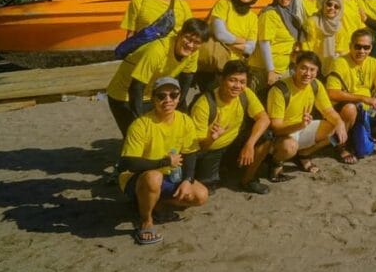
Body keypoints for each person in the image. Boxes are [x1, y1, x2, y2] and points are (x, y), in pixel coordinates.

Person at [118, 76, 209, 245]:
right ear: (153, 98)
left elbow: (190, 153)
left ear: (179, 96)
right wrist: (163, 163)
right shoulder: (141, 124)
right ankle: (146, 221)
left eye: (173, 95)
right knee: (153, 177)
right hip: (138, 178)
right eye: (161, 96)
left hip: (170, 175)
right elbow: (128, 163)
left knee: (201, 196)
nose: (168, 100)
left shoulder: (185, 121)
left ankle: (154, 201)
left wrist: (188, 180)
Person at [106, 18, 209, 136]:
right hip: (124, 95)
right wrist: (140, 120)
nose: (190, 45)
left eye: (196, 42)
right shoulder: (158, 50)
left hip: (152, 94)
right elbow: (136, 87)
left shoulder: (193, 52)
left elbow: (186, 80)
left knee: (176, 129)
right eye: (187, 38)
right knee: (138, 135)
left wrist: (178, 109)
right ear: (179, 34)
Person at [190, 60, 271, 194]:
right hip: (210, 149)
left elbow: (264, 119)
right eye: (232, 80)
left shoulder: (245, 93)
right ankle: (219, 171)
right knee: (206, 190)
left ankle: (248, 180)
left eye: (242, 82)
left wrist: (249, 145)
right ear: (221, 79)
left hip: (233, 143)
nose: (237, 86)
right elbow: (199, 146)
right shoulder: (204, 104)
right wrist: (212, 138)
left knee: (266, 137)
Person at [268, 51, 349, 175]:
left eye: (312, 70)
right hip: (284, 133)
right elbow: (276, 128)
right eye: (303, 68)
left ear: (317, 72)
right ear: (295, 68)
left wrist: (340, 123)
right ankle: (275, 162)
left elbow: (328, 110)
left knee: (335, 129)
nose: (308, 74)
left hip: (302, 126)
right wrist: (300, 125)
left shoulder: (316, 84)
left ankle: (305, 153)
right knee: (289, 147)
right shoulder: (279, 90)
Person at [198, 0, 260, 89]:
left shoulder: (253, 18)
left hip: (235, 67)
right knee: (211, 99)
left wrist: (225, 41)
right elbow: (220, 34)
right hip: (215, 65)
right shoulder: (224, 4)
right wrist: (242, 41)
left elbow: (250, 49)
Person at [247, 0, 307, 92]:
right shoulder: (270, 14)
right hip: (265, 71)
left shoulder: (290, 14)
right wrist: (271, 71)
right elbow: (264, 43)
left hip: (283, 69)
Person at [304, 0, 345, 71]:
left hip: (331, 65)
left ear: (340, 10)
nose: (332, 8)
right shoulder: (312, 21)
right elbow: (307, 45)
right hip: (312, 65)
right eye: (329, 4)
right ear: (323, 5)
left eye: (336, 7)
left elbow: (340, 47)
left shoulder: (339, 25)